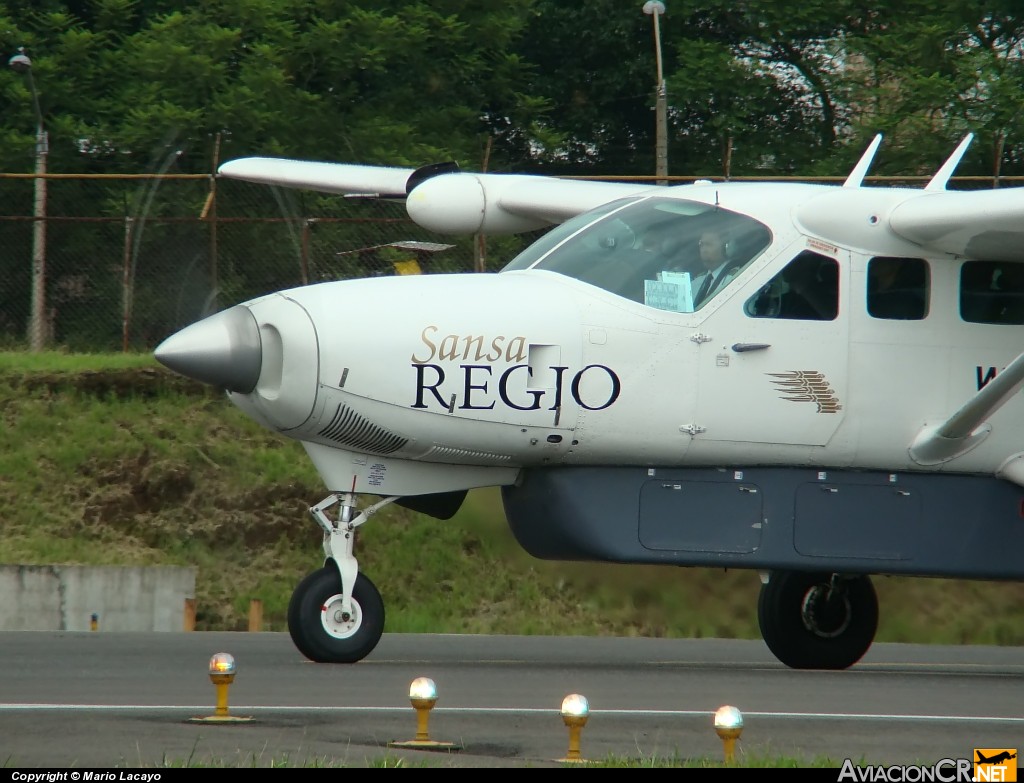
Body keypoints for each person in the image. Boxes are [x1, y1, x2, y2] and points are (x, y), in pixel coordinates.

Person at [691, 229, 737, 307]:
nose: (703, 250)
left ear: (725, 247)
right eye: (701, 245)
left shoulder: (734, 279)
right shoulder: (697, 282)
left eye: (709, 244)